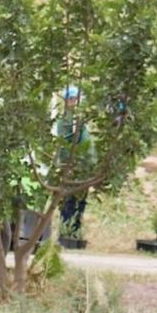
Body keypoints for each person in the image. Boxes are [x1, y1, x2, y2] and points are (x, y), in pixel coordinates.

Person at [56, 86, 93, 239]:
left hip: (83, 166)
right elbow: (66, 143)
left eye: (76, 99)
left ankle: (75, 231)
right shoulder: (64, 120)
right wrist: (67, 165)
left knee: (81, 200)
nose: (74, 101)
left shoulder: (81, 119)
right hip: (71, 166)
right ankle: (66, 231)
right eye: (71, 99)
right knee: (69, 199)